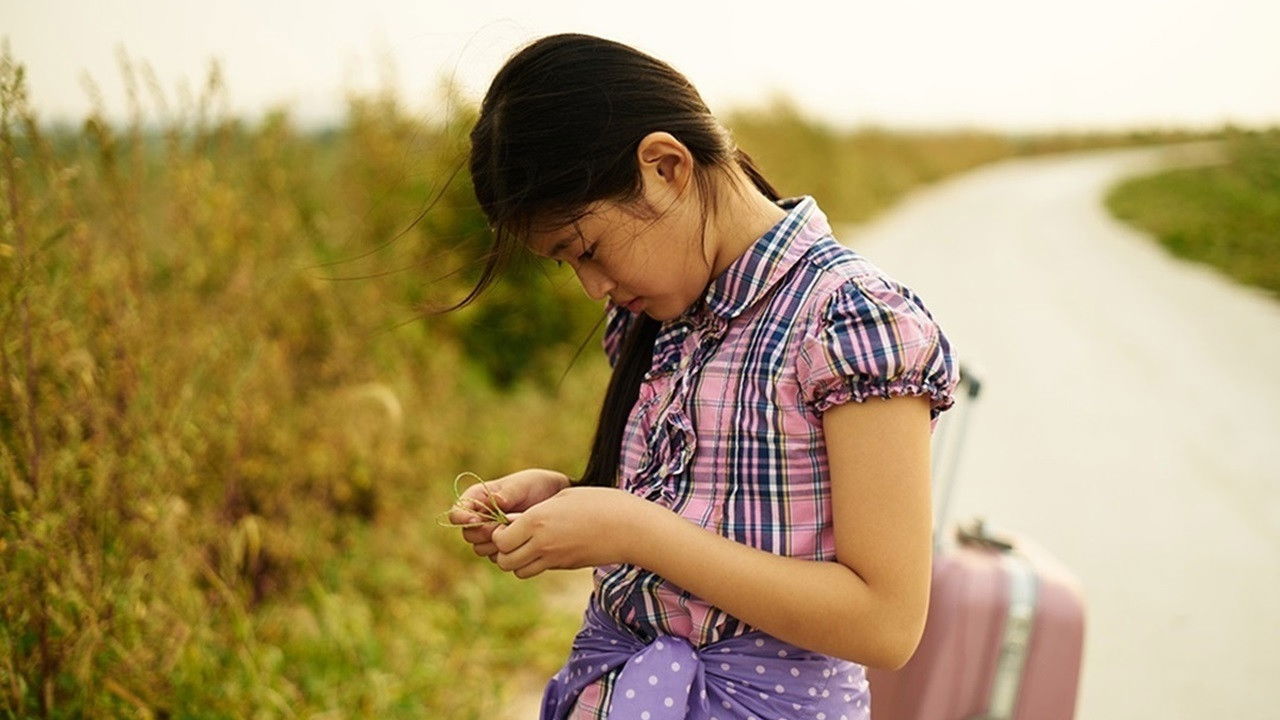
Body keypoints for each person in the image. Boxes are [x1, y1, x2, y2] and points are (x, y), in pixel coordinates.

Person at [445, 32, 961, 720]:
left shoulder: (849, 322)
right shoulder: (661, 316)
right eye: (567, 265)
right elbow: (696, 522)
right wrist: (573, 503)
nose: (593, 286)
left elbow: (886, 624)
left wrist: (634, 530)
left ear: (665, 167)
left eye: (587, 249)